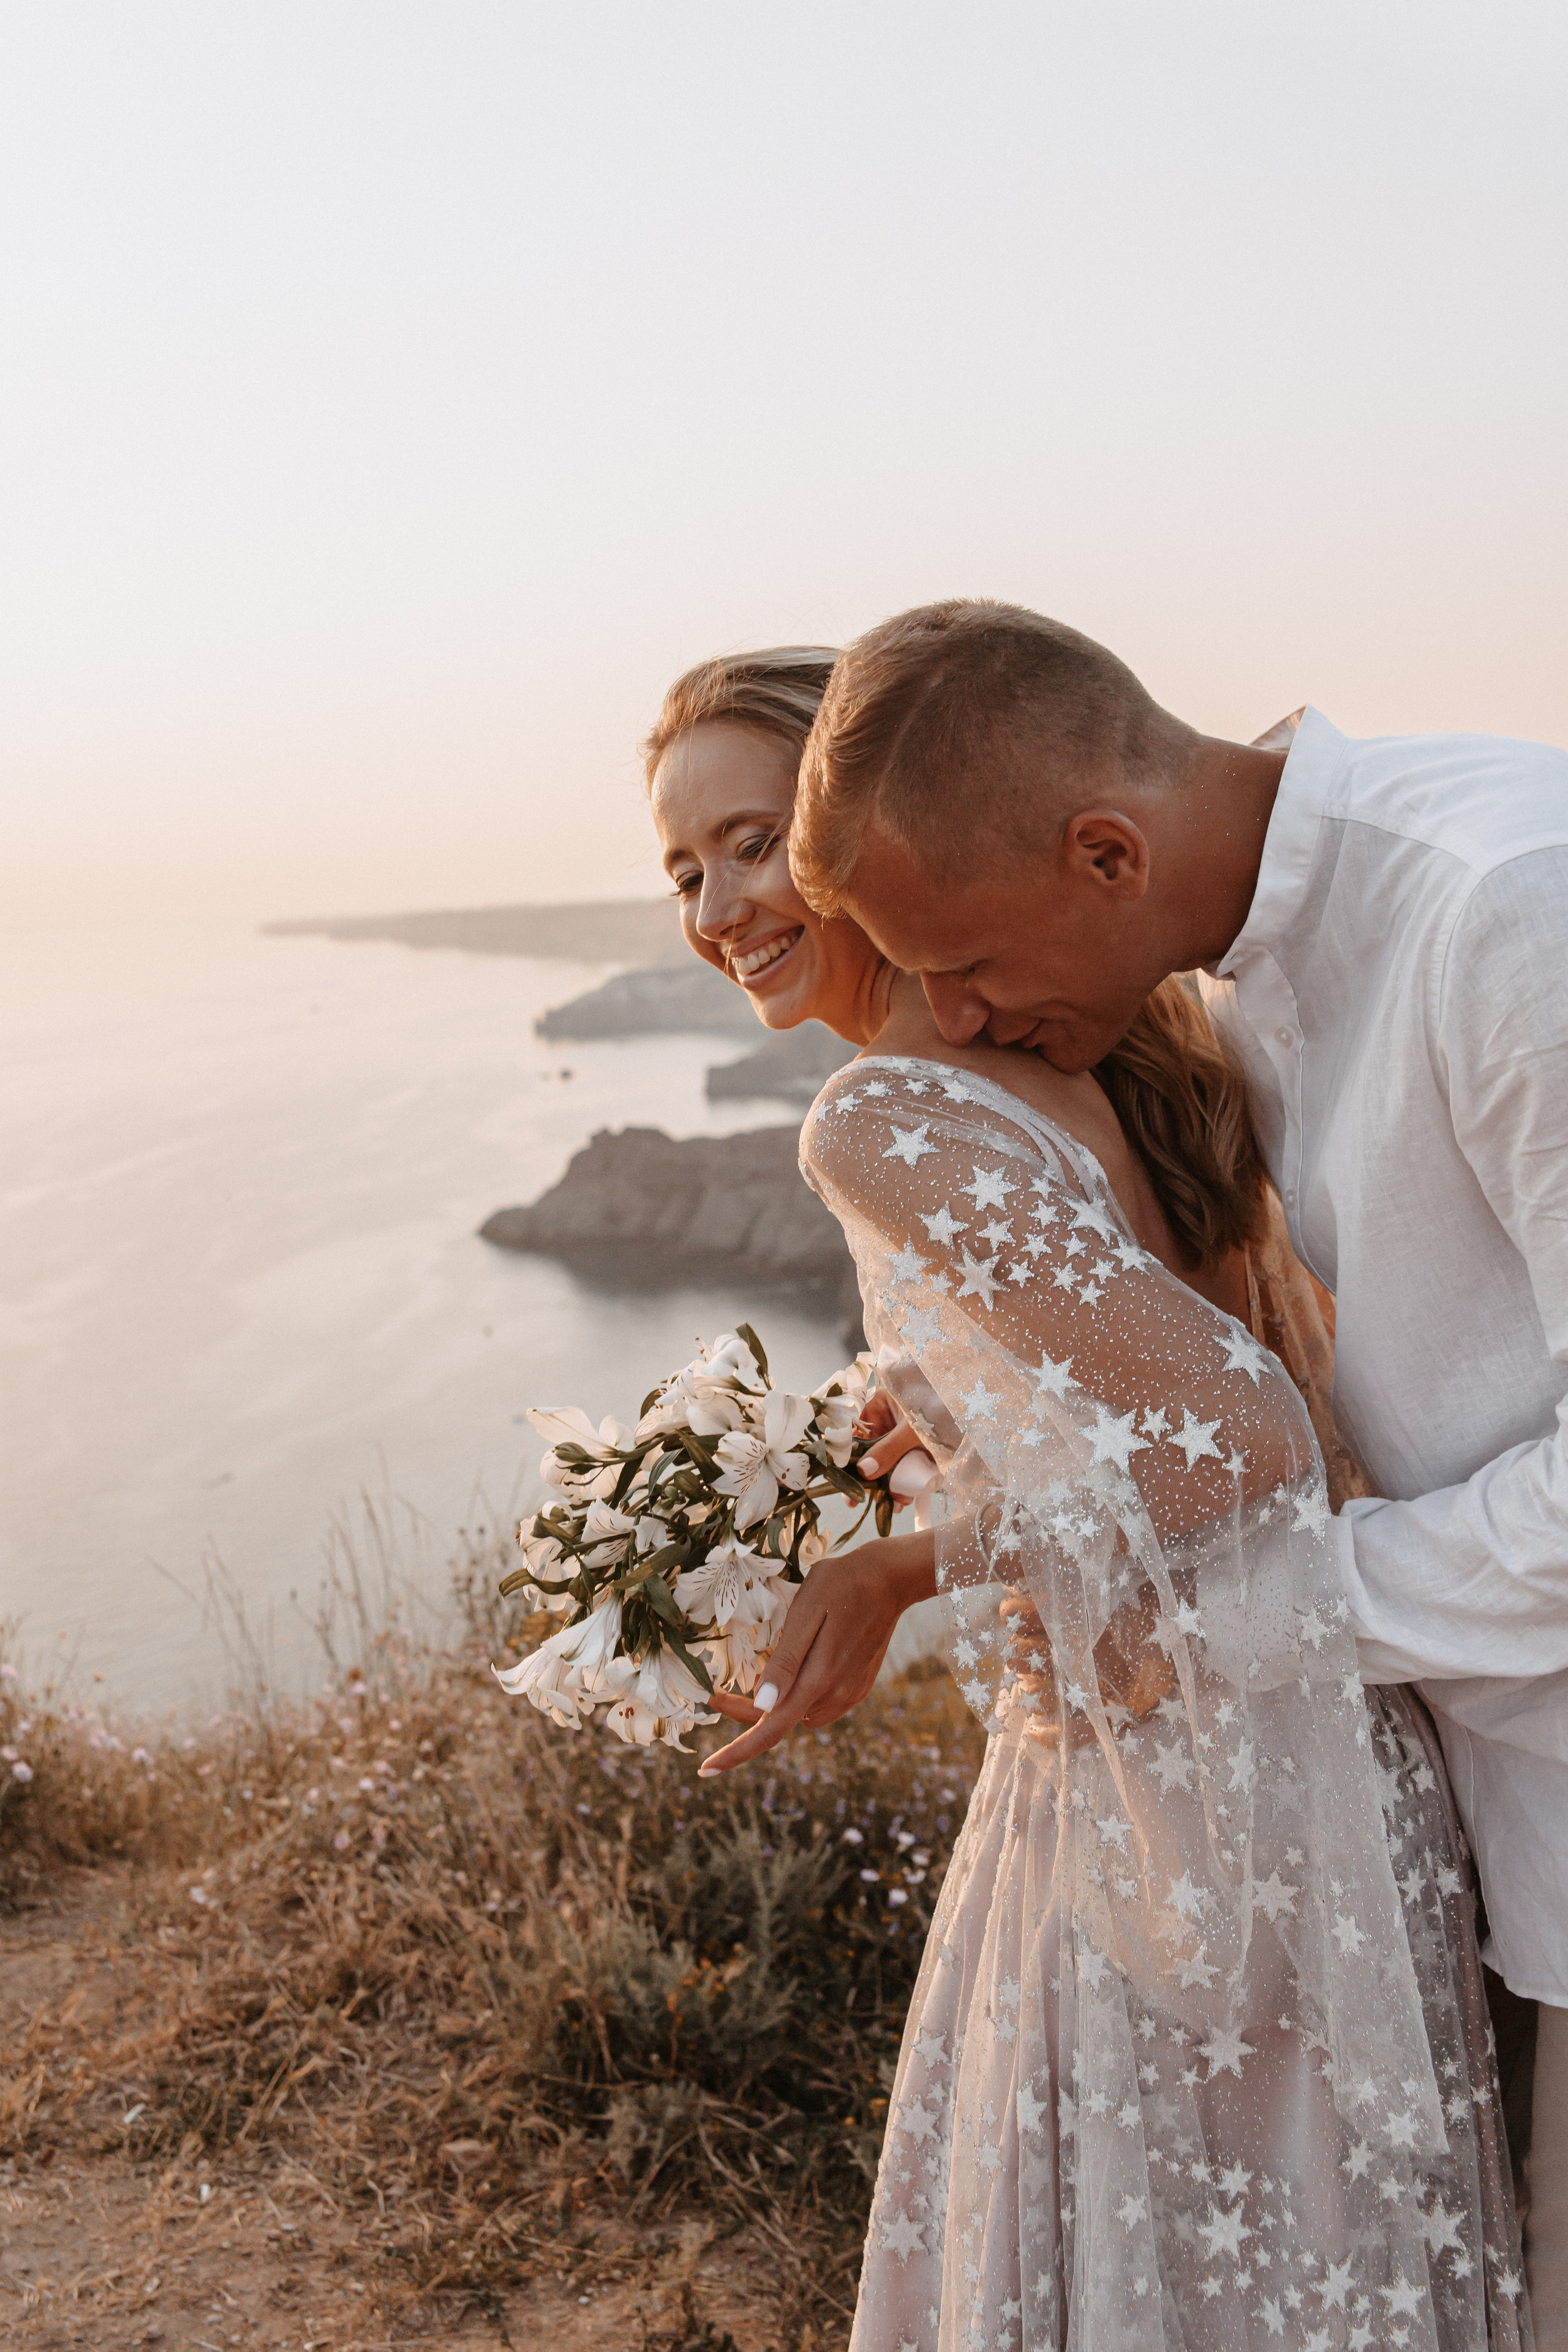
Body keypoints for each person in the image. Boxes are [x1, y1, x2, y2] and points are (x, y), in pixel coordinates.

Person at [644, 650, 1526, 2350]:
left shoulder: (882, 1115)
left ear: (859, 846)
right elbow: (1217, 1371)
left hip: (1165, 1801)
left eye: (756, 846)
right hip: (1343, 1753)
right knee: (1331, 2262)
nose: (721, 906)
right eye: (685, 871)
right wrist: (942, 1427)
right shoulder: (1125, 1039)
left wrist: (912, 1566)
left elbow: (1237, 1439)